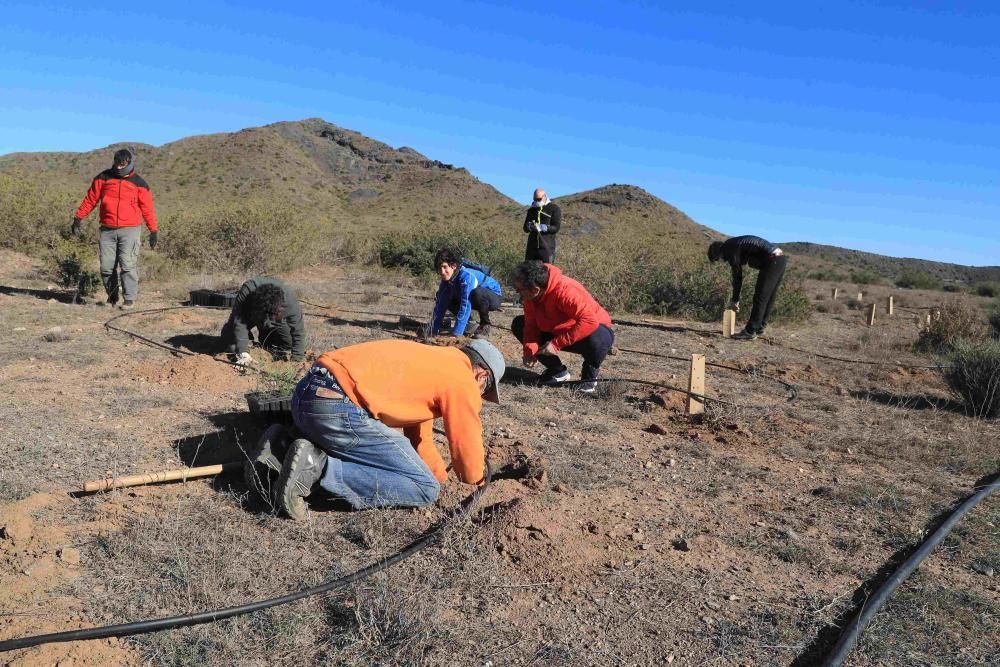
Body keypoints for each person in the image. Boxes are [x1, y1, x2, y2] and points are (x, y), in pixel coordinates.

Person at [272, 338, 506, 519]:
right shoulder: (462, 380)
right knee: (425, 489)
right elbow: (467, 454)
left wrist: (439, 478)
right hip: (336, 408)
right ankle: (318, 469)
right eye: (485, 391)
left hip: (307, 395)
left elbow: (420, 437)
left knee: (427, 480)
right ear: (481, 375)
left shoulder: (436, 361)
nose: (481, 397)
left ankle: (278, 449)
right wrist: (476, 479)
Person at [72, 148, 158, 309]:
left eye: (123, 164)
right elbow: (91, 200)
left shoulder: (140, 183)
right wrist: (78, 218)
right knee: (106, 266)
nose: (119, 167)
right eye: (117, 163)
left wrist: (153, 230)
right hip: (107, 229)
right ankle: (112, 298)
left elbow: (147, 208)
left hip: (130, 230)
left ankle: (129, 300)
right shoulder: (103, 178)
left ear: (129, 163)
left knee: (127, 265)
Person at [510, 260, 614, 394]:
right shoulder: (531, 297)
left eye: (519, 289)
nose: (518, 293)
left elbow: (589, 321)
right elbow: (530, 324)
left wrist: (556, 344)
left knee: (599, 337)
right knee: (520, 323)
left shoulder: (564, 291)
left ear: (535, 290)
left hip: (588, 330)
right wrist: (530, 350)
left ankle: (588, 377)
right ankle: (557, 371)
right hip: (557, 330)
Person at [707, 235, 787, 340]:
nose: (721, 261)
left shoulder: (729, 248)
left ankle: (750, 331)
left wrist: (735, 300)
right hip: (780, 259)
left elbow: (737, 276)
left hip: (772, 260)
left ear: (718, 253)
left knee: (760, 297)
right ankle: (759, 328)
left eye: (718, 259)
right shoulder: (733, 244)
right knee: (769, 297)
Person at [220, 277, 306, 364]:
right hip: (249, 314)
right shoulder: (247, 292)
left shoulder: (290, 303)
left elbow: (298, 332)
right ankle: (247, 343)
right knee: (229, 339)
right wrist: (243, 353)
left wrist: (296, 360)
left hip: (277, 318)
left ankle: (265, 342)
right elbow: (239, 321)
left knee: (288, 343)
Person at [428, 249, 503, 339]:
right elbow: (441, 305)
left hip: (493, 296)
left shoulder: (466, 276)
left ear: (454, 266)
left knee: (477, 293)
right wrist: (433, 329)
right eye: (439, 268)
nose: (442, 272)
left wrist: (456, 333)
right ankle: (470, 325)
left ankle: (485, 326)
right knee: (442, 296)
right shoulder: (446, 281)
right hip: (473, 297)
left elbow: (465, 304)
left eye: (445, 267)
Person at [523, 188, 561, 263]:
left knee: (546, 272)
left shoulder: (554, 208)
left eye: (539, 199)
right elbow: (525, 228)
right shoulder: (531, 210)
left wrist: (544, 227)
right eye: (535, 199)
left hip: (546, 249)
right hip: (531, 249)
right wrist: (529, 226)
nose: (536, 201)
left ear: (545, 197)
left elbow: (556, 227)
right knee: (528, 271)